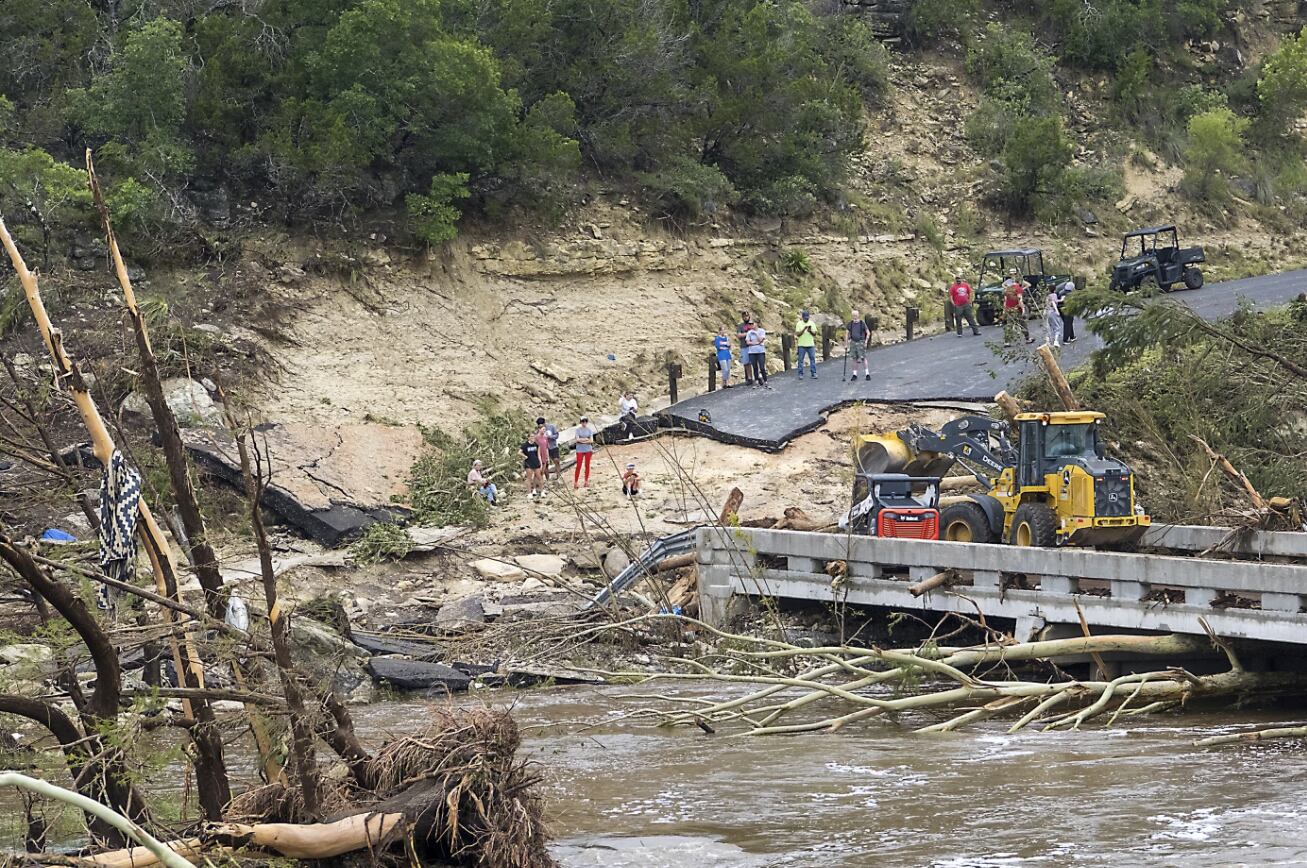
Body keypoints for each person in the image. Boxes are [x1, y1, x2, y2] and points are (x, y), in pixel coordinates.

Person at [1001, 268, 1033, 347]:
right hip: (1016, 308)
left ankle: (1007, 341)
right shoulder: (1018, 289)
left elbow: (1005, 300)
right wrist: (1023, 309)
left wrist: (1004, 310)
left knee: (1009, 325)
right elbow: (1020, 299)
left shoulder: (1008, 289)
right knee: (1022, 323)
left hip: (1009, 309)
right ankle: (1027, 338)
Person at [846, 310, 870, 382]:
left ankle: (867, 374)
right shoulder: (850, 324)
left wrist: (866, 342)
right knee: (854, 358)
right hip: (853, 342)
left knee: (863, 358)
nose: (855, 317)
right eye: (853, 315)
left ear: (858, 315)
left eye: (856, 315)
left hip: (860, 342)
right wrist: (846, 344)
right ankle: (854, 374)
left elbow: (868, 332)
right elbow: (846, 333)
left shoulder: (862, 323)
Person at [794, 310, 818, 379]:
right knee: (800, 360)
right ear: (802, 317)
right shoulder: (799, 324)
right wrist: (804, 329)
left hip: (810, 344)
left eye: (807, 317)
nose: (806, 319)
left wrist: (810, 331)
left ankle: (813, 373)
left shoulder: (812, 323)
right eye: (805, 317)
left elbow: (815, 334)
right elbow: (798, 334)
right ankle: (800, 374)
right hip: (801, 345)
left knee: (812, 359)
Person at [519, 432, 544, 499]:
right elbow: (519, 452)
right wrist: (524, 456)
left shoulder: (536, 445)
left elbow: (538, 454)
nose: (533, 438)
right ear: (529, 437)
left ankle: (542, 492)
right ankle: (529, 493)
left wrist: (540, 463)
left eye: (534, 437)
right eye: (531, 437)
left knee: (539, 477)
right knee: (529, 478)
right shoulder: (525, 445)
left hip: (536, 462)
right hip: (528, 463)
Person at [574, 416, 595, 488]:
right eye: (583, 421)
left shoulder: (589, 430)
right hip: (579, 450)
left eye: (585, 421)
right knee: (578, 466)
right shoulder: (577, 430)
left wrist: (582, 440)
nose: (584, 423)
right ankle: (576, 482)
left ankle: (586, 481)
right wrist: (586, 439)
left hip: (588, 449)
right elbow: (577, 440)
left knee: (587, 465)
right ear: (580, 422)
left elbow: (591, 440)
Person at [745, 320, 768, 385]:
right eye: (750, 324)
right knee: (754, 366)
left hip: (760, 351)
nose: (751, 325)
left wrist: (756, 333)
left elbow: (761, 340)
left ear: (756, 324)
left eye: (752, 323)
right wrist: (755, 343)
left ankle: (765, 379)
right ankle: (757, 380)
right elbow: (747, 342)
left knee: (762, 366)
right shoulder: (749, 332)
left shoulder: (761, 331)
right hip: (752, 352)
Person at [736, 313, 755, 385]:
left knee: (754, 361)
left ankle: (756, 376)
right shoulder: (740, 326)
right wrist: (747, 333)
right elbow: (739, 335)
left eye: (747, 316)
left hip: (753, 345)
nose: (746, 317)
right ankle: (749, 378)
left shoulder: (752, 324)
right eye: (744, 316)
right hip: (744, 346)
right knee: (746, 362)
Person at [1057, 279, 1077, 344]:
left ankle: (1072, 336)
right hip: (1067, 309)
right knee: (1068, 323)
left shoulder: (1061, 292)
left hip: (1060, 309)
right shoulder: (1070, 294)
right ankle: (1065, 339)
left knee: (1068, 323)